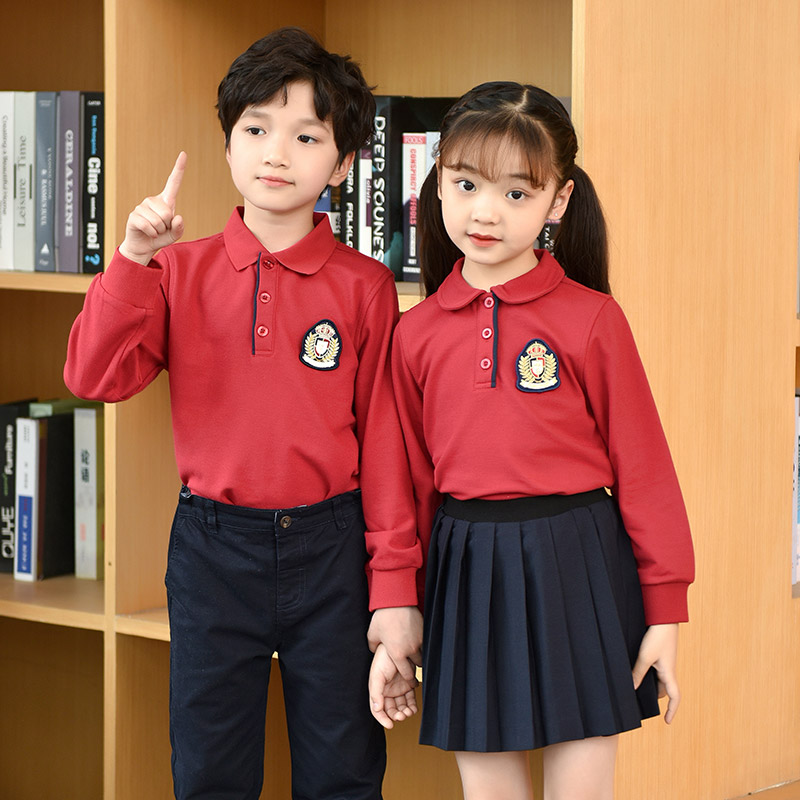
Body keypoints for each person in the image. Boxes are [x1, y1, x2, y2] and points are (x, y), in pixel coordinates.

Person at [64, 27, 423, 800]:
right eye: (256, 130)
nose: (276, 154)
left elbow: (387, 446)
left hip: (334, 550)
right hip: (212, 550)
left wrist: (395, 589)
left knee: (344, 772)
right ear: (227, 141)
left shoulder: (364, 286)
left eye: (306, 137)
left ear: (344, 163)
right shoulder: (175, 270)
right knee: (209, 772)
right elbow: (93, 376)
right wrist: (130, 258)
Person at [369, 81, 695, 800]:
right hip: (465, 571)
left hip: (580, 562)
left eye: (517, 193)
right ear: (437, 184)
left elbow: (645, 470)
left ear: (559, 201)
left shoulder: (593, 319)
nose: (485, 212)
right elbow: (400, 485)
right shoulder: (413, 335)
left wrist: (666, 610)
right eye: (466, 185)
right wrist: (395, 602)